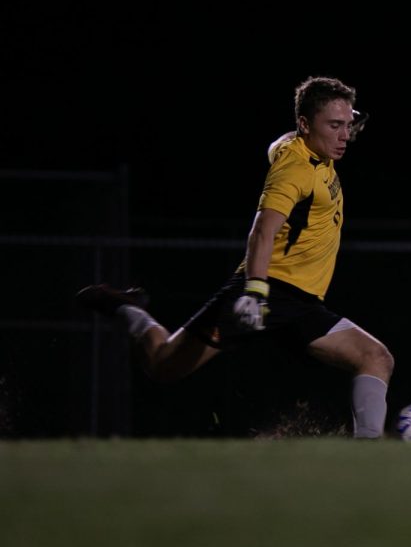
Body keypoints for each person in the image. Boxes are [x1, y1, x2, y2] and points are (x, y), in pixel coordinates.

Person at [76, 76, 393, 438]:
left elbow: (279, 143)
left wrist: (336, 121)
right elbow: (262, 231)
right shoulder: (294, 170)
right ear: (304, 124)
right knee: (163, 365)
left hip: (302, 303)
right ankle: (128, 309)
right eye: (334, 126)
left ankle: (369, 453)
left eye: (347, 125)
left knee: (375, 357)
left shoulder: (302, 147)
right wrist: (255, 291)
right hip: (268, 290)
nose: (343, 136)